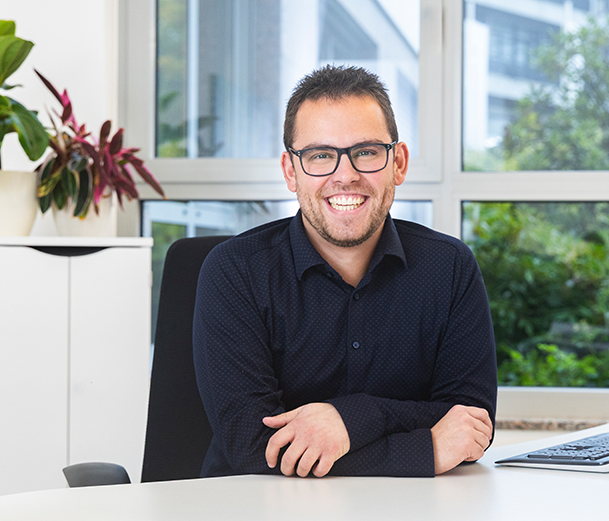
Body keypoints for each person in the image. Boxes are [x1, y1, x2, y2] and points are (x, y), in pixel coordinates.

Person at [192, 65, 497, 478]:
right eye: (320, 155)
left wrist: (350, 419)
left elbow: (470, 426)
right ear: (290, 171)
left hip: (409, 514)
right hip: (260, 513)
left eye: (366, 152)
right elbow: (253, 448)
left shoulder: (450, 268)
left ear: (399, 163)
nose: (345, 175)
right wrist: (425, 449)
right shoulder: (234, 272)